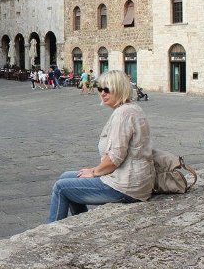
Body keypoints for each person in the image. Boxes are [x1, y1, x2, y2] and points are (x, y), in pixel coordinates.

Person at [47, 70, 154, 223]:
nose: (102, 93)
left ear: (119, 89)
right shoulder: (132, 108)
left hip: (126, 186)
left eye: (107, 89)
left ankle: (51, 234)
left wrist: (94, 172)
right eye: (100, 89)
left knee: (61, 188)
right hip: (135, 180)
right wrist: (94, 171)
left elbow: (115, 158)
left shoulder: (122, 115)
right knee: (67, 176)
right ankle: (80, 223)